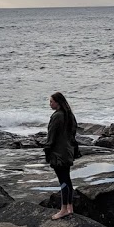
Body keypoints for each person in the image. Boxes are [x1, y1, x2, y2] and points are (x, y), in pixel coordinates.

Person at [44, 91, 79, 220]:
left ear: (58, 103)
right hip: (68, 152)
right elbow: (73, 135)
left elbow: (51, 136)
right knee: (67, 179)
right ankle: (70, 207)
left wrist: (47, 150)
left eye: (51, 102)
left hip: (59, 153)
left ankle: (63, 209)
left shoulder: (57, 116)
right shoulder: (70, 115)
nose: (50, 104)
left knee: (63, 180)